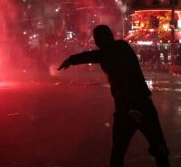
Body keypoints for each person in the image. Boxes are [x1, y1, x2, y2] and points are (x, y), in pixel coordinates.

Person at [58, 25, 170, 167]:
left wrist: (130, 107)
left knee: (119, 152)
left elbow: (124, 80)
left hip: (128, 109)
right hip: (142, 105)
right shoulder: (120, 47)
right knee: (158, 148)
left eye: (97, 39)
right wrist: (72, 59)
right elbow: (93, 55)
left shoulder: (112, 52)